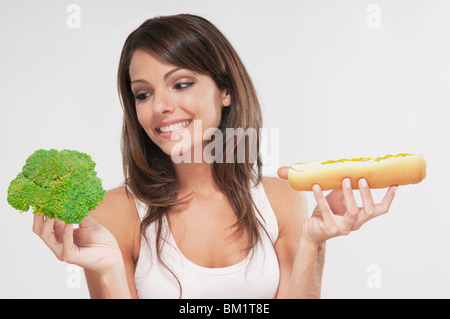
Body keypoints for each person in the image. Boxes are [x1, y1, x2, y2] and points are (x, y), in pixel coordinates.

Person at [32, 14, 397, 299]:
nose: (160, 106)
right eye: (142, 94)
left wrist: (313, 244)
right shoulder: (114, 212)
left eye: (182, 84)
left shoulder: (281, 199)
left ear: (225, 91)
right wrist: (109, 272)